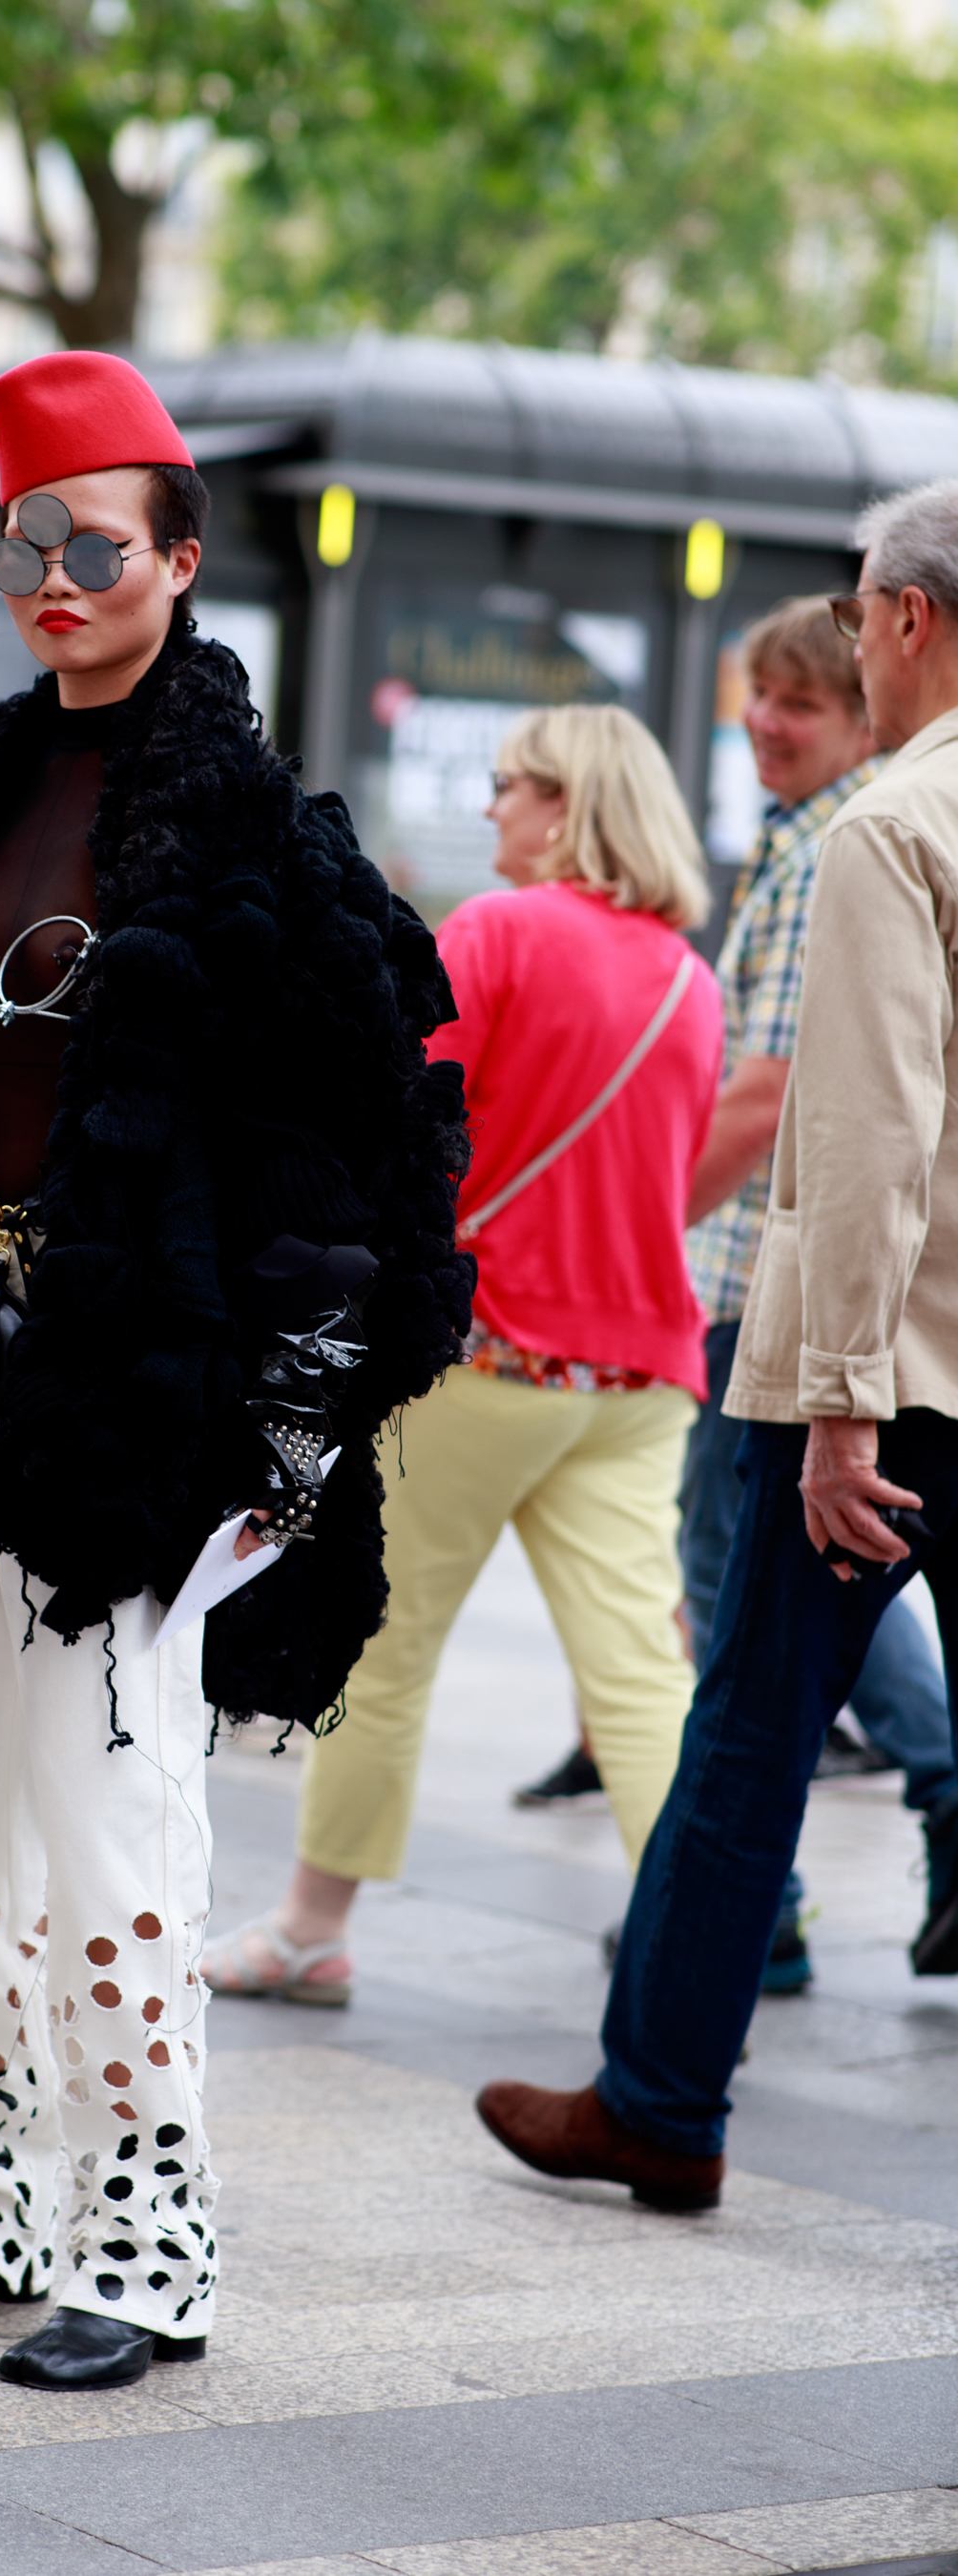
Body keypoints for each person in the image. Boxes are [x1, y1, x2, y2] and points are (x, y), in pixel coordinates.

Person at [0, 349, 471, 2390]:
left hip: (129, 1387)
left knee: (114, 1815)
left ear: (183, 559)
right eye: (24, 546)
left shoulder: (260, 839)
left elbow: (361, 1147)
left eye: (93, 545)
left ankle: (149, 2237)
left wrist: (291, 1433)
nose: (53, 579)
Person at [475, 477, 958, 2216]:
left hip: (893, 1367)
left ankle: (663, 2102)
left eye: (857, 615)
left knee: (749, 1737)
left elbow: (868, 1136)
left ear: (906, 617)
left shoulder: (892, 829)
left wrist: (837, 1412)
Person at [204, 704, 722, 2007]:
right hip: (640, 1368)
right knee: (641, 1671)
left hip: (489, 1354)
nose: (492, 808)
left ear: (566, 802)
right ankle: (706, 1952)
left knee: (386, 1644)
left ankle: (312, 1931)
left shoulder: (498, 934)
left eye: (507, 785)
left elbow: (402, 1115)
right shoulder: (687, 976)